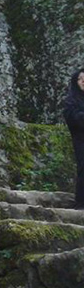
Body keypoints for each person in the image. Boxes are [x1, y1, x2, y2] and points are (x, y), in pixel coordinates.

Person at [63, 69, 84, 209]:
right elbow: (72, 118)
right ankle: (81, 202)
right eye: (81, 78)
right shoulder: (71, 100)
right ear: (75, 82)